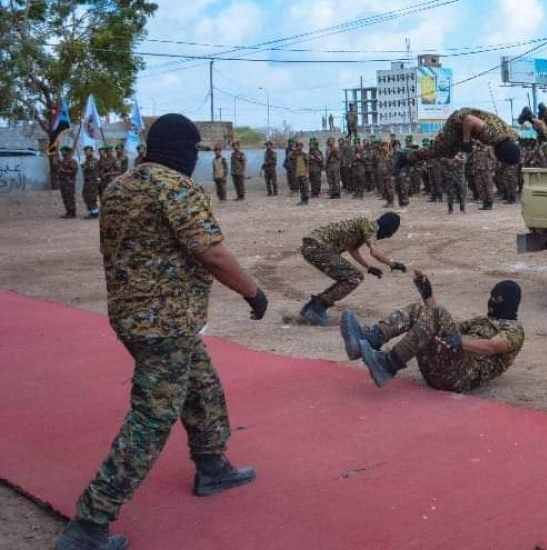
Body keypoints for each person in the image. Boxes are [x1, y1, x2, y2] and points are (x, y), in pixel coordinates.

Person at [55, 114, 268, 550]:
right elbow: (212, 253)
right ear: (181, 149)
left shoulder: (118, 187)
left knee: (202, 388)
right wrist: (253, 293)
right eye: (193, 150)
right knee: (152, 419)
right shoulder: (174, 187)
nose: (195, 159)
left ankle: (212, 466)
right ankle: (89, 525)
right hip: (165, 323)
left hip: (137, 318)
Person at [344, 271, 525, 393]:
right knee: (419, 309)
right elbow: (444, 323)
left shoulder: (514, 329)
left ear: (510, 303)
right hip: (443, 367)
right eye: (491, 296)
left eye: (497, 298)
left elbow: (493, 346)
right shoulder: (481, 320)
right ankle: (369, 339)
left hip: (461, 377)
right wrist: (428, 295)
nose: (492, 301)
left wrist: (460, 342)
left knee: (438, 314)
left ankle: (388, 365)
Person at [298, 212, 406, 325]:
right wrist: (392, 264)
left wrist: (368, 267)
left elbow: (353, 249)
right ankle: (316, 308)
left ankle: (310, 308)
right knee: (353, 277)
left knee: (351, 275)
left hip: (312, 247)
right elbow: (374, 251)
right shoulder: (371, 226)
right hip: (318, 248)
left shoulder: (364, 225)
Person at [404, 107, 521, 169]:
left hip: (467, 125)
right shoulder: (491, 136)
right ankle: (406, 158)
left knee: (450, 153)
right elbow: (469, 119)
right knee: (440, 150)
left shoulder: (511, 135)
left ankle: (411, 158)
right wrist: (466, 141)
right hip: (458, 122)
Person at [58, 145, 78, 218]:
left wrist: (64, 171)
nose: (62, 153)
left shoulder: (72, 161)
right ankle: (68, 211)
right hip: (63, 182)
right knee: (65, 197)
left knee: (70, 197)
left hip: (69, 182)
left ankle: (72, 212)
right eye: (61, 151)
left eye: (63, 151)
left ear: (67, 152)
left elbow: (74, 171)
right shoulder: (63, 161)